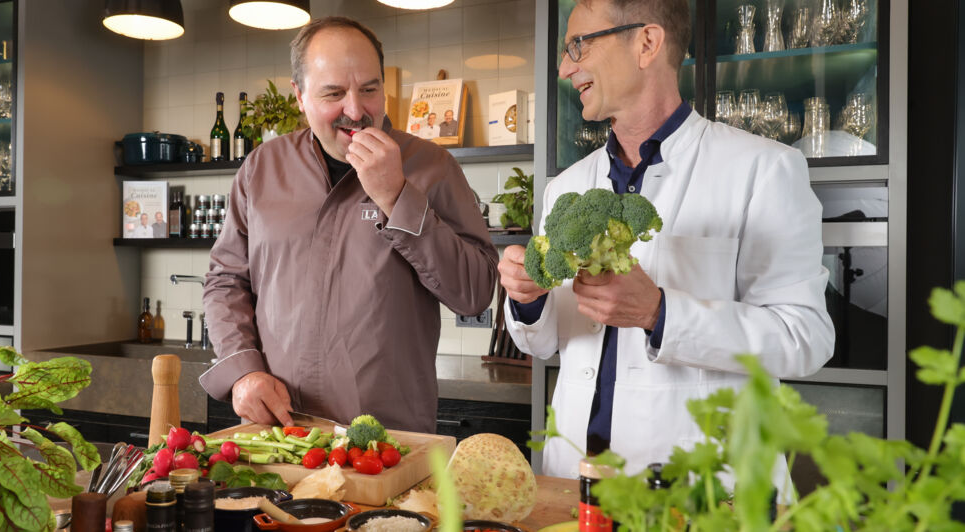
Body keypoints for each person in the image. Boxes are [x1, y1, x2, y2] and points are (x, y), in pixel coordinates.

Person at [499, 0, 834, 486]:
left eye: (578, 45)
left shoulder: (763, 169)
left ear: (647, 43)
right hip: (574, 479)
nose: (564, 67)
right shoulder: (565, 186)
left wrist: (659, 313)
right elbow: (548, 342)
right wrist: (527, 299)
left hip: (703, 487)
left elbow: (806, 338)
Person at [200, 16, 498, 433]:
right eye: (334, 93)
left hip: (389, 441)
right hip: (281, 435)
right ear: (299, 96)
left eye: (370, 89)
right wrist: (242, 371)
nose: (356, 111)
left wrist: (397, 197)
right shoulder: (262, 168)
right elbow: (225, 281)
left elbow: (476, 293)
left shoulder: (433, 167)